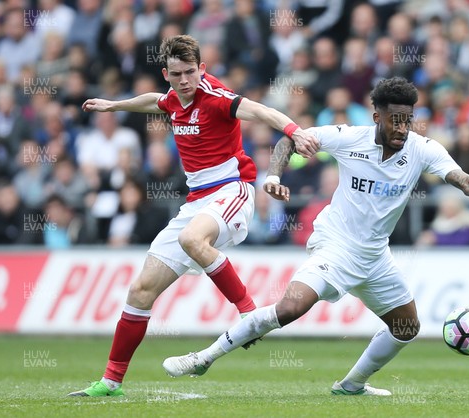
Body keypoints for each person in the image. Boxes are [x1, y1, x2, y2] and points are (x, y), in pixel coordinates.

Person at [161, 77, 469, 395]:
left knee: (406, 328)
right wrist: (272, 176)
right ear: (376, 118)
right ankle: (203, 358)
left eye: (408, 120)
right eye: (395, 120)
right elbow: (292, 140)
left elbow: (464, 181)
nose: (402, 128)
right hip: (335, 245)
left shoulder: (423, 149)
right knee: (290, 309)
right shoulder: (349, 138)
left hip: (375, 256)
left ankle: (351, 385)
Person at [69, 34, 319, 397]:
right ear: (166, 73)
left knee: (192, 240)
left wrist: (295, 131)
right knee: (140, 291)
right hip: (197, 202)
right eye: (176, 74)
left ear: (202, 69)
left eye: (190, 72)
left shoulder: (216, 98)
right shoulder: (172, 97)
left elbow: (261, 111)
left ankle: (250, 314)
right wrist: (113, 106)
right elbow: (155, 102)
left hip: (233, 190)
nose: (185, 81)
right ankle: (110, 382)